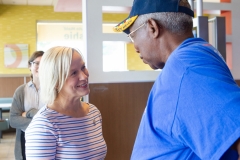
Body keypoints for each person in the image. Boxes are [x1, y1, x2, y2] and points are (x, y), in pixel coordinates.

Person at [113, 0, 240, 159]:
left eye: (132, 35)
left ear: (153, 27)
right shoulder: (194, 57)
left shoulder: (186, 67)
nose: (135, 46)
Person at [25, 46, 107, 159]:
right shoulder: (44, 125)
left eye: (83, 67)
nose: (84, 76)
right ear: (56, 81)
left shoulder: (93, 112)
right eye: (73, 73)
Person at [9, 51, 45, 160]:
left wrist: (29, 113)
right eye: (36, 63)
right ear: (30, 66)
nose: (40, 66)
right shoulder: (21, 91)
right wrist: (42, 122)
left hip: (47, 138)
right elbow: (13, 120)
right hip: (25, 139)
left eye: (44, 63)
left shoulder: (54, 90)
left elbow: (56, 116)